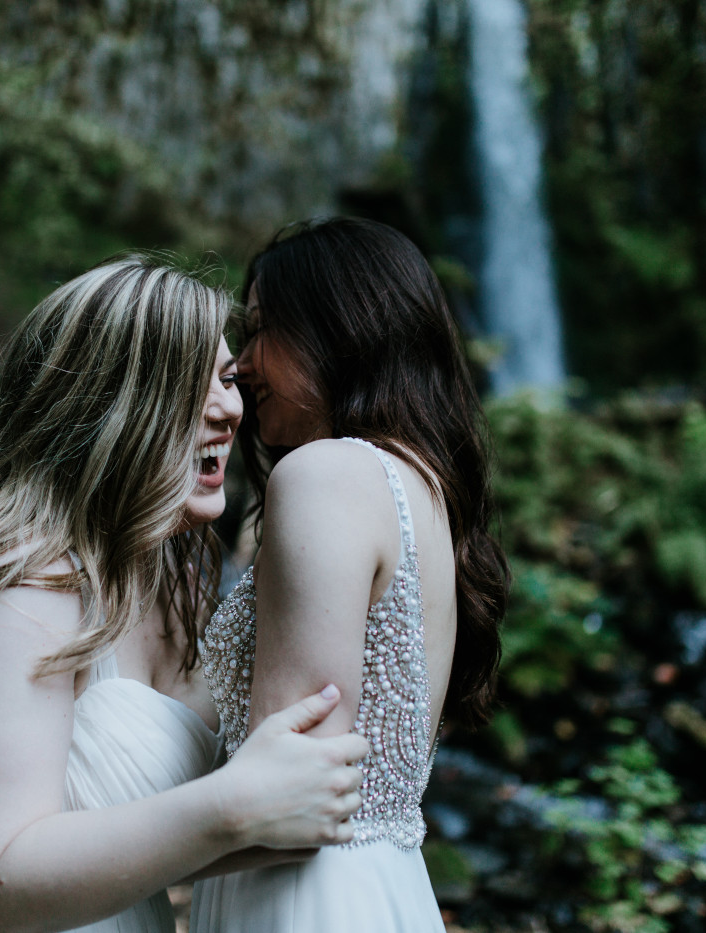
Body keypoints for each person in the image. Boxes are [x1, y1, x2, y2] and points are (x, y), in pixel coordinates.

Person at [0, 255, 369, 933]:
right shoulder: (16, 581)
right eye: (187, 384)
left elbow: (252, 813)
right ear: (108, 405)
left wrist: (45, 882)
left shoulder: (173, 572)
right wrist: (2, 882)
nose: (231, 407)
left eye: (227, 379)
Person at [189, 216, 508, 931]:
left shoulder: (326, 476)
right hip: (379, 889)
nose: (240, 363)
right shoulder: (419, 485)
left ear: (342, 327)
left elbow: (288, 804)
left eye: (263, 328)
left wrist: (52, 870)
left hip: (303, 900)